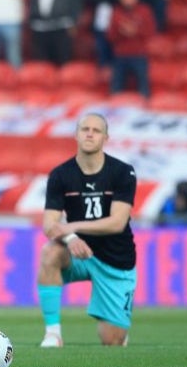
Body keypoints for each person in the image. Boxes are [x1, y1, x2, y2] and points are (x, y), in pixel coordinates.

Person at [37, 112, 138, 348]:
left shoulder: (122, 172)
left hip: (116, 260)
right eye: (85, 129)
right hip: (79, 253)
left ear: (106, 138)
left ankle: (118, 330)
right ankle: (53, 334)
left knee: (111, 341)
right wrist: (70, 237)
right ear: (76, 134)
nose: (90, 134)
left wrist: (73, 226)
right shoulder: (61, 175)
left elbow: (117, 223)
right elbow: (49, 224)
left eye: (96, 130)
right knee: (50, 253)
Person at [107, 0, 155, 98]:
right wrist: (121, 32)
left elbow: (150, 32)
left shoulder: (144, 11)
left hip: (139, 55)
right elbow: (110, 36)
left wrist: (135, 31)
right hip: (120, 56)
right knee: (115, 89)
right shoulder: (116, 12)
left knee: (144, 89)